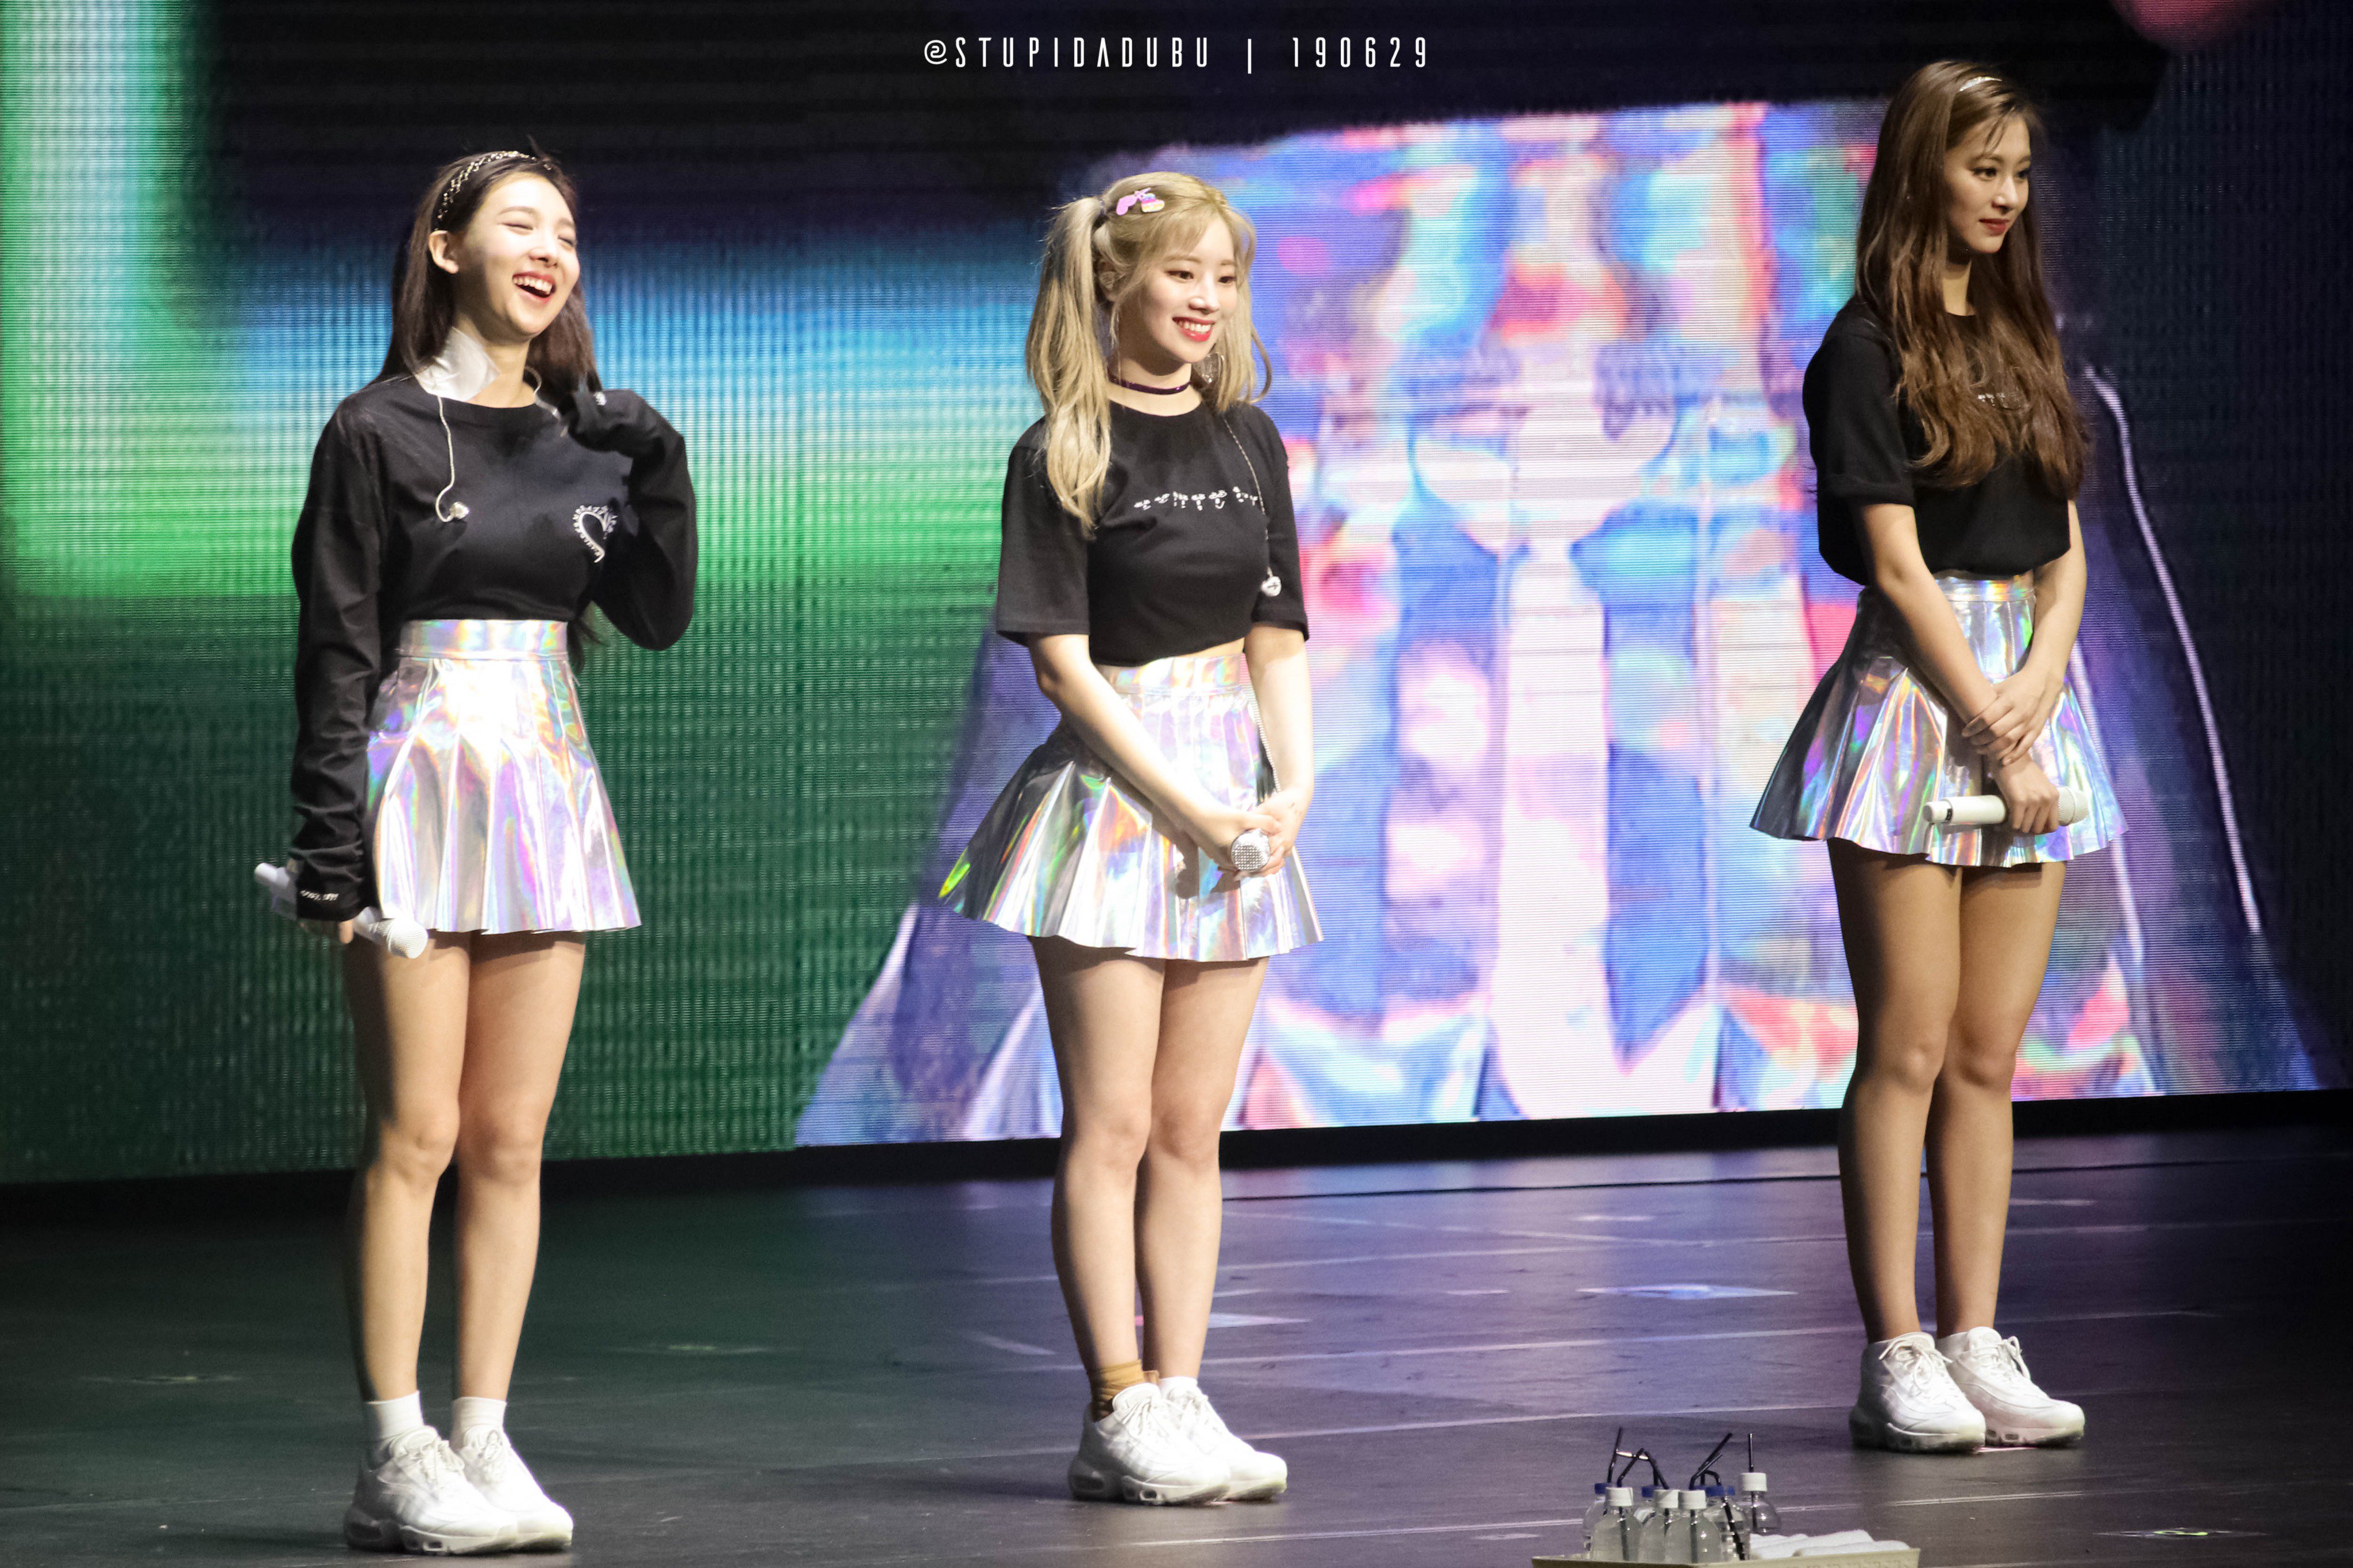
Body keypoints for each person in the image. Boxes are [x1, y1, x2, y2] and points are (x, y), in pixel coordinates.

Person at [287, 148, 696, 1552]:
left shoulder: (592, 438)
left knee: (511, 1139)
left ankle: (481, 1434)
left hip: (543, 776)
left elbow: (655, 616)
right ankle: (393, 1451)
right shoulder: (377, 431)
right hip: (416, 774)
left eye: (566, 233)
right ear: (446, 247)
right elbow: (337, 650)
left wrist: (661, 459)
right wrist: (330, 850)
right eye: (521, 224)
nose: (550, 251)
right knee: (418, 1132)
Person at [1752, 63, 2121, 1453]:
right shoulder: (1863, 347)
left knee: (1985, 1054)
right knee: (1904, 1043)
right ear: (1922, 170)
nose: (2005, 195)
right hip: (1916, 697)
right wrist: (1986, 719)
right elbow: (1897, 569)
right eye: (1982, 169)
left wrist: (2037, 687)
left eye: (2019, 173)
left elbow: (2063, 549)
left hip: (2025, 687)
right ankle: (1894, 1352)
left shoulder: (2022, 332)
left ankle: (1976, 1339)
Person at [941, 171, 1319, 1504]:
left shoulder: (1248, 440)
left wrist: (1290, 785)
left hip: (1232, 795)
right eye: (1180, 274)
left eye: (1223, 277)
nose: (1205, 300)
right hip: (1115, 800)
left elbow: (1277, 635)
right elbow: (1062, 667)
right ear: (1117, 284)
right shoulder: (1062, 449)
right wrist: (1188, 805)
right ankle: (1115, 1402)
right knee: (1108, 1123)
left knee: (1188, 1129)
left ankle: (1182, 1391)